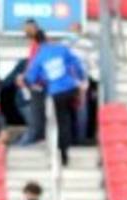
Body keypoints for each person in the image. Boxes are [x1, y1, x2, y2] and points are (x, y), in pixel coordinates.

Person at [22, 36, 86, 165]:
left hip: (56, 92)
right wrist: (81, 78)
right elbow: (77, 63)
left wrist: (37, 83)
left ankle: (63, 153)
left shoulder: (40, 57)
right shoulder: (62, 49)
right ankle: (78, 138)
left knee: (61, 121)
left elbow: (31, 77)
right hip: (71, 88)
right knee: (73, 115)